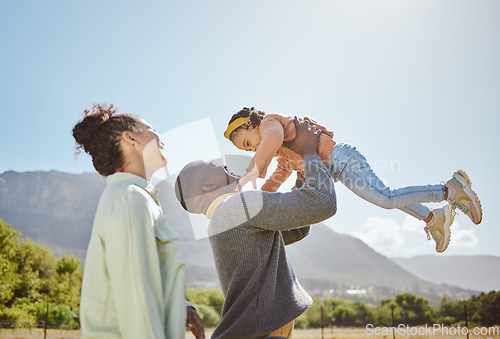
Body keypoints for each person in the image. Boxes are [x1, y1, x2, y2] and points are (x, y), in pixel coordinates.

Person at [223, 107, 482, 253]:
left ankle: (449, 190)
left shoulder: (270, 123)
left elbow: (271, 137)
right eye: (247, 150)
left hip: (343, 159)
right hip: (338, 170)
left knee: (386, 197)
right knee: (383, 196)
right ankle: (434, 218)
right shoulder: (281, 153)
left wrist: (252, 171)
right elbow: (277, 179)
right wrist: (254, 200)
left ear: (251, 124)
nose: (251, 149)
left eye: (248, 143)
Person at [175, 118, 337, 339]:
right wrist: (308, 151)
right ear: (207, 186)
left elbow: (297, 228)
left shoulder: (223, 219)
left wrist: (301, 170)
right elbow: (322, 203)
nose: (224, 165)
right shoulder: (236, 207)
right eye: (214, 167)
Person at [72, 104, 205, 339]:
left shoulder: (137, 198)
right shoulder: (129, 200)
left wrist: (180, 306)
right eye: (151, 129)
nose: (159, 136)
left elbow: (146, 277)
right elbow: (137, 302)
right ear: (130, 137)